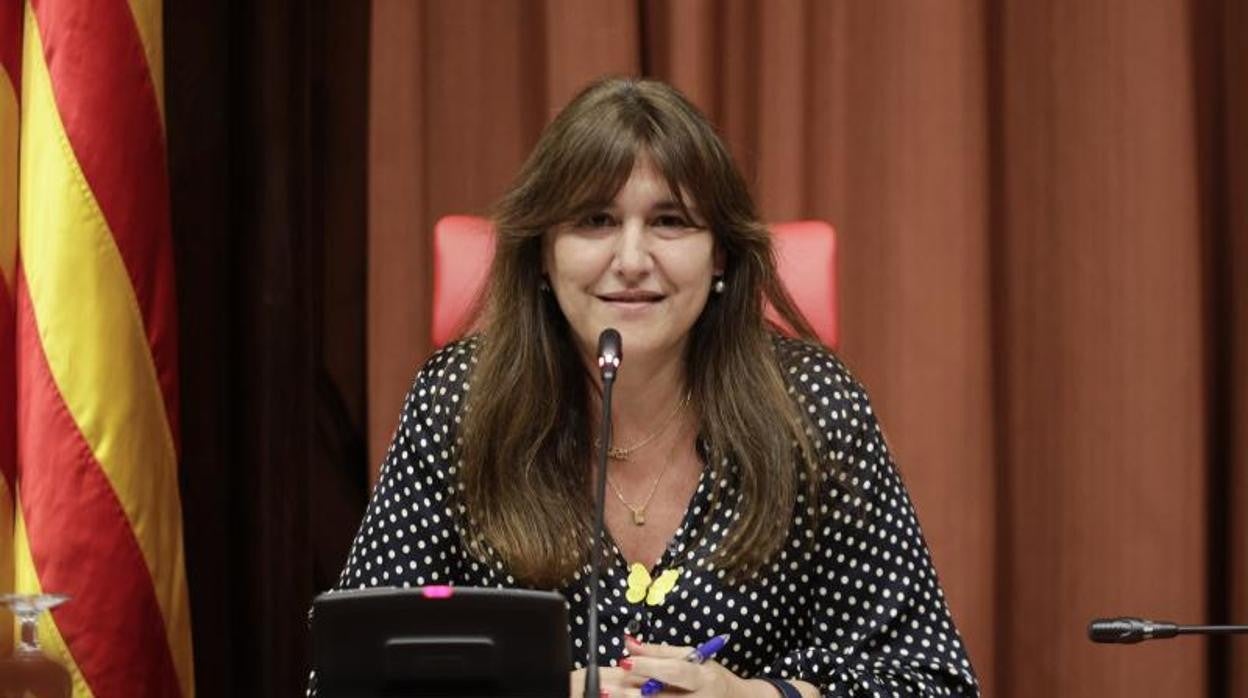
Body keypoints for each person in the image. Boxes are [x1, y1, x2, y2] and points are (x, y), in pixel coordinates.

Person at [311, 77, 979, 697]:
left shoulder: (811, 409)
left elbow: (932, 680)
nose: (631, 261)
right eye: (595, 221)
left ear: (719, 253)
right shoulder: (461, 404)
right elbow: (348, 679)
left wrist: (752, 696)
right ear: (543, 254)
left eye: (670, 221)